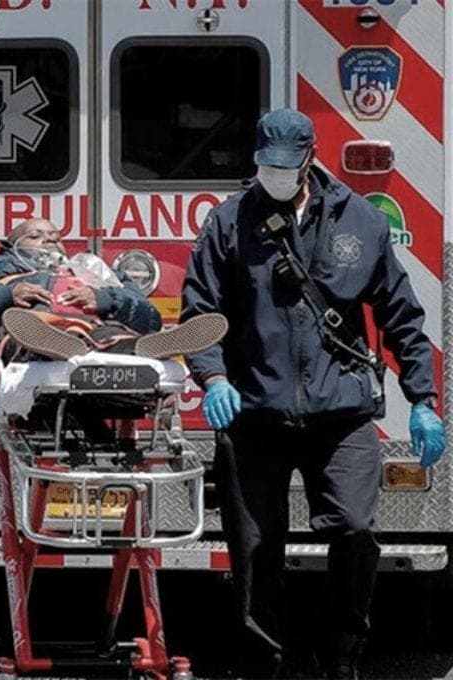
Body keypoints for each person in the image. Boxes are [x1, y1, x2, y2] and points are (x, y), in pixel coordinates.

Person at [180, 108, 445, 679]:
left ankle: (340, 653)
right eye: (266, 163)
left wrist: (423, 400)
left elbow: (400, 314)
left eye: (286, 164)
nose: (275, 174)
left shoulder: (359, 221)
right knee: (255, 548)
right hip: (255, 413)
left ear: (309, 159)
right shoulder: (228, 222)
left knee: (354, 530)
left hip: (340, 412)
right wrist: (214, 377)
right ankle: (265, 663)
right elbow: (200, 312)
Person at [0, 218, 225, 361]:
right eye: (36, 235)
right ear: (9, 246)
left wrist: (103, 298)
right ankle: (54, 347)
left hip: (93, 330)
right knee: (29, 333)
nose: (49, 241)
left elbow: (150, 317)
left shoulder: (89, 269)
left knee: (113, 338)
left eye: (55, 237)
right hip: (27, 327)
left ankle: (146, 348)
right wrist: (6, 295)